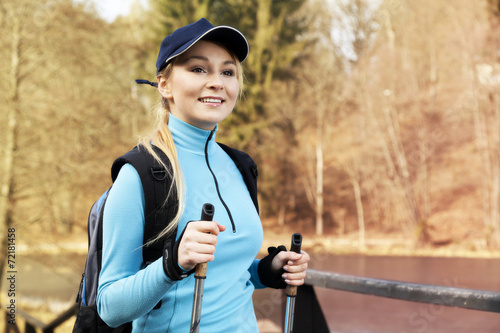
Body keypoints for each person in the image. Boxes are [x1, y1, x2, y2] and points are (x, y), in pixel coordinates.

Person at [96, 18, 310, 332]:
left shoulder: (241, 166)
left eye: (228, 71)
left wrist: (268, 270)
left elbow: (228, 272)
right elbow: (110, 307)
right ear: (165, 85)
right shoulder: (140, 175)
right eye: (198, 69)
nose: (217, 82)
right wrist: (172, 264)